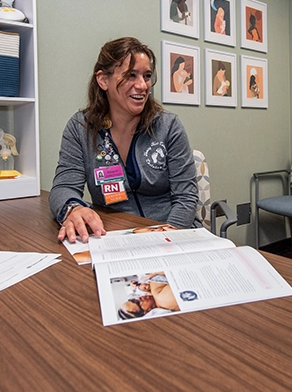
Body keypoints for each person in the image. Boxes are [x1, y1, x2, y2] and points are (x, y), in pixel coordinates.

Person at [49, 37, 199, 243]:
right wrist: (72, 208)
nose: (142, 85)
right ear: (103, 80)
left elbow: (186, 198)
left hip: (173, 232)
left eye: (146, 76)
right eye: (131, 75)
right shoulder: (80, 128)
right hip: (116, 238)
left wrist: (166, 239)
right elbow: (63, 187)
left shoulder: (168, 126)